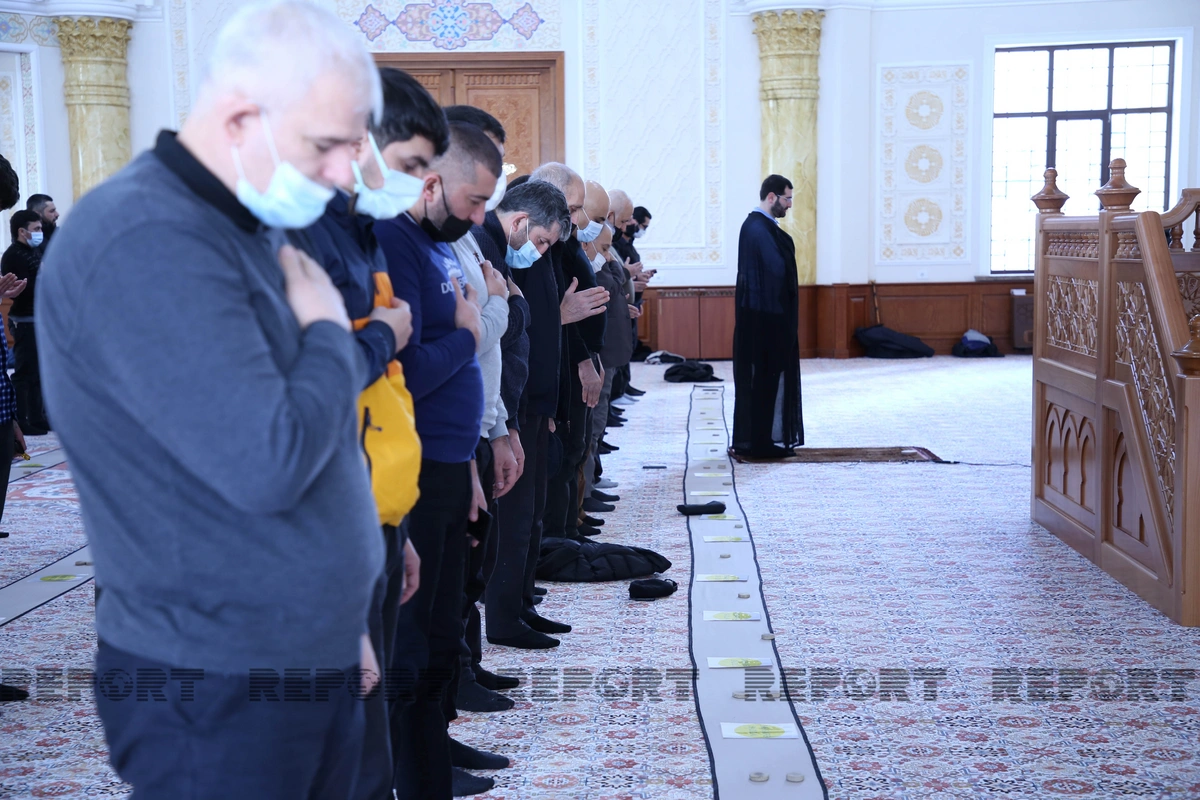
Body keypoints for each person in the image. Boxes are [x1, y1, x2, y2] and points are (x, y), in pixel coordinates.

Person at [38, 3, 387, 796]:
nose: (345, 175)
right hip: (217, 682)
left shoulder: (245, 222)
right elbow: (268, 460)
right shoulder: (146, 239)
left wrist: (339, 618)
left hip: (297, 654)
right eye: (326, 146)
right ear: (238, 118)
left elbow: (312, 436)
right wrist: (331, 333)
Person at [299, 64, 446, 800]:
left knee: (368, 740)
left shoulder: (358, 232)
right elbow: (314, 394)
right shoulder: (302, 239)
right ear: (360, 143)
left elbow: (377, 404)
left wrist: (397, 525)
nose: (419, 185)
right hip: (328, 534)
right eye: (411, 165)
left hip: (373, 515)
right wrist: (386, 333)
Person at [375, 119, 501, 800]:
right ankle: (413, 776)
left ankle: (433, 767)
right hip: (413, 472)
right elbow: (406, 371)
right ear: (431, 184)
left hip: (451, 467)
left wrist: (470, 469)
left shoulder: (435, 244)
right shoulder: (394, 241)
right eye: (475, 201)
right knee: (412, 643)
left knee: (442, 634)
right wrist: (468, 334)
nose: (480, 218)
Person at [530, 163, 608, 539]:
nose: (578, 218)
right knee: (561, 452)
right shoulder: (540, 249)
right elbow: (558, 312)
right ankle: (559, 538)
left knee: (574, 447)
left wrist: (592, 355)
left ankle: (567, 530)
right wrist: (583, 359)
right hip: (560, 365)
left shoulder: (563, 243)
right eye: (573, 208)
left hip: (574, 358)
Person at [732, 174, 804, 459]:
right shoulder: (758, 228)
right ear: (771, 197)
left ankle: (759, 440)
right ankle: (759, 444)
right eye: (787, 199)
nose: (790, 205)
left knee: (765, 381)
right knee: (763, 382)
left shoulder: (758, 226)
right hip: (765, 321)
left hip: (763, 317)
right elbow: (776, 271)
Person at [1, 210, 49, 434]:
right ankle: (21, 419)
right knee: (24, 372)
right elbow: (20, 290)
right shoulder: (13, 255)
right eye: (36, 229)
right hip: (24, 319)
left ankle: (38, 417)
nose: (40, 232)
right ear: (22, 231)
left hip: (40, 318)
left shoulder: (35, 250)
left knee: (39, 372)